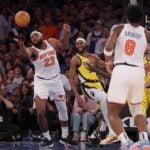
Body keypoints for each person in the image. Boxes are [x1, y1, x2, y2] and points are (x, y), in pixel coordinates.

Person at [14, 24, 77, 149]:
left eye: (36, 35)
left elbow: (63, 45)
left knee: (63, 109)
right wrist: (21, 46)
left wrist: (66, 33)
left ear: (41, 36)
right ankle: (47, 138)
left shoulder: (51, 42)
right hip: (41, 82)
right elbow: (26, 54)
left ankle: (65, 136)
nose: (34, 38)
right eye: (32, 37)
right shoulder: (32, 50)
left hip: (56, 80)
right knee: (41, 111)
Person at [104, 5, 150, 149]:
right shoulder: (147, 33)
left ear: (126, 16)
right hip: (138, 72)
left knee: (112, 112)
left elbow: (108, 47)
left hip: (122, 69)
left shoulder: (118, 28)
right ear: (141, 18)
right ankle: (145, 141)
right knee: (137, 110)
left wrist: (107, 61)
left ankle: (126, 143)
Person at [69, 37, 118, 144]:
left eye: (81, 43)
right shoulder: (75, 59)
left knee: (107, 109)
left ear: (86, 44)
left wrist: (114, 62)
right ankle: (112, 132)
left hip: (98, 85)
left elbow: (106, 66)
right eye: (77, 44)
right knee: (105, 99)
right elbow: (71, 79)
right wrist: (77, 95)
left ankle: (94, 135)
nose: (79, 45)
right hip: (87, 86)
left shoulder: (94, 57)